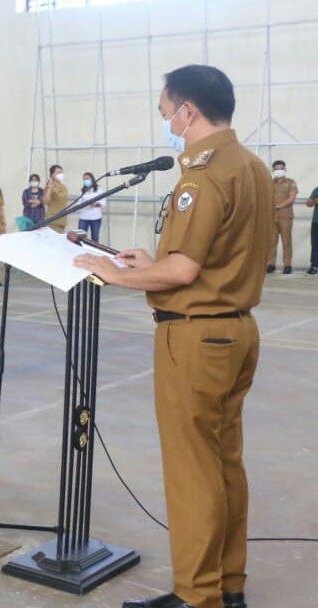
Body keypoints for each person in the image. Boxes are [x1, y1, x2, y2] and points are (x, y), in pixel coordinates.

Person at [73, 65, 268, 608]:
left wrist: (116, 273)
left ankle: (196, 595)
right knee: (225, 462)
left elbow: (182, 273)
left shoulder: (201, 175)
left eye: (166, 113)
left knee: (193, 470)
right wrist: (153, 262)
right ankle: (229, 587)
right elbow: (211, 258)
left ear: (188, 111)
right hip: (237, 331)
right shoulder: (250, 167)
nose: (166, 124)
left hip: (196, 338)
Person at [268, 160, 297, 274]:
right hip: (272, 217)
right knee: (271, 242)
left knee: (286, 241)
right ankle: (271, 264)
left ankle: (287, 265)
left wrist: (278, 206)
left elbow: (292, 198)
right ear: (273, 170)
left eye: (281, 168)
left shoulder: (291, 182)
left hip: (286, 216)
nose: (279, 170)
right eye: (276, 169)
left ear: (285, 169)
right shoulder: (269, 183)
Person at [75, 172, 106, 242]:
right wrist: (84, 204)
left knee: (95, 238)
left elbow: (103, 203)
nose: (86, 180)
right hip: (84, 217)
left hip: (96, 217)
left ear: (92, 179)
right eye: (84, 179)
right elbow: (78, 204)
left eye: (87, 178)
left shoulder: (99, 189)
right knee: (80, 238)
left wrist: (96, 204)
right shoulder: (81, 191)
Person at [45, 164, 69, 232]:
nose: (61, 174)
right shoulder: (50, 186)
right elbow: (46, 201)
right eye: (58, 173)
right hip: (52, 221)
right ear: (52, 175)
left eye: (61, 172)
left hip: (62, 221)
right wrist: (49, 188)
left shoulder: (64, 187)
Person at [308, 183, 318, 275]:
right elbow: (308, 203)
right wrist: (314, 201)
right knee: (315, 244)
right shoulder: (316, 190)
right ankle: (314, 265)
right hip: (316, 221)